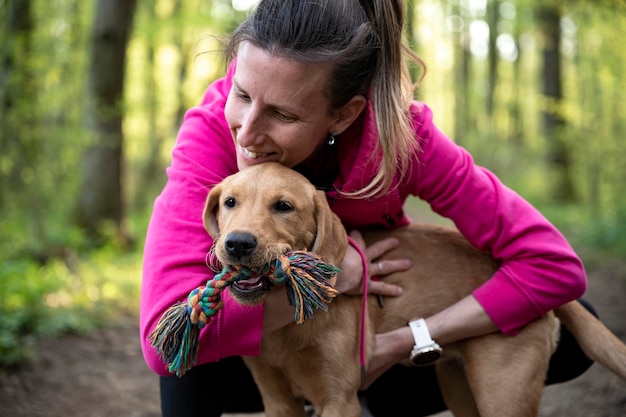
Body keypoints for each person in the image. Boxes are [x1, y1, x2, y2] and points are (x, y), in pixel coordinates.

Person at [140, 0, 597, 415]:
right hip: (272, 335)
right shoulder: (209, 136)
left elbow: (555, 268)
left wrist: (407, 339)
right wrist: (334, 277)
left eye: (283, 114)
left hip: (379, 334)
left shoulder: (404, 139)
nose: (246, 133)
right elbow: (164, 339)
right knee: (185, 357)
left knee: (574, 328)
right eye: (241, 94)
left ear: (344, 114)